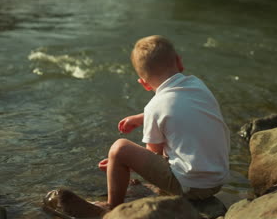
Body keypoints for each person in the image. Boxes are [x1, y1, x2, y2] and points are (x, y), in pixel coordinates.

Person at [98, 35, 230, 210]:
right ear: (179, 61)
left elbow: (155, 155)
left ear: (144, 84)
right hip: (218, 179)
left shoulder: (155, 107)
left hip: (192, 187)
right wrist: (140, 118)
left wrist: (123, 163)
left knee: (119, 148)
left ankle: (112, 207)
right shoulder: (198, 85)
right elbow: (178, 111)